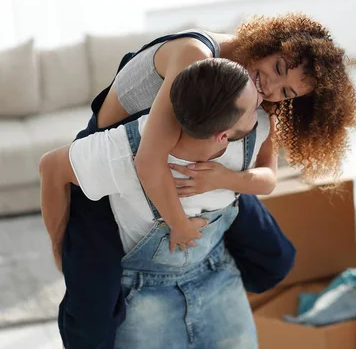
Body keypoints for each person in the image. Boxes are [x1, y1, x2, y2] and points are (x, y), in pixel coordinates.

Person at [41, 13, 356, 348]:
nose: (269, 87)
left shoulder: (255, 103)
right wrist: (178, 224)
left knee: (275, 257)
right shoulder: (197, 57)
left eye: (287, 91)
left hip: (200, 155)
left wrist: (223, 180)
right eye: (278, 68)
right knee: (92, 320)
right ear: (269, 42)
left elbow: (264, 173)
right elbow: (148, 160)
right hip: (118, 167)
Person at [40, 58, 269, 348]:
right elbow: (51, 167)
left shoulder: (257, 128)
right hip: (143, 296)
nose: (263, 100)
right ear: (222, 134)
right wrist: (58, 244)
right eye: (253, 104)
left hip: (218, 273)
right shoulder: (124, 150)